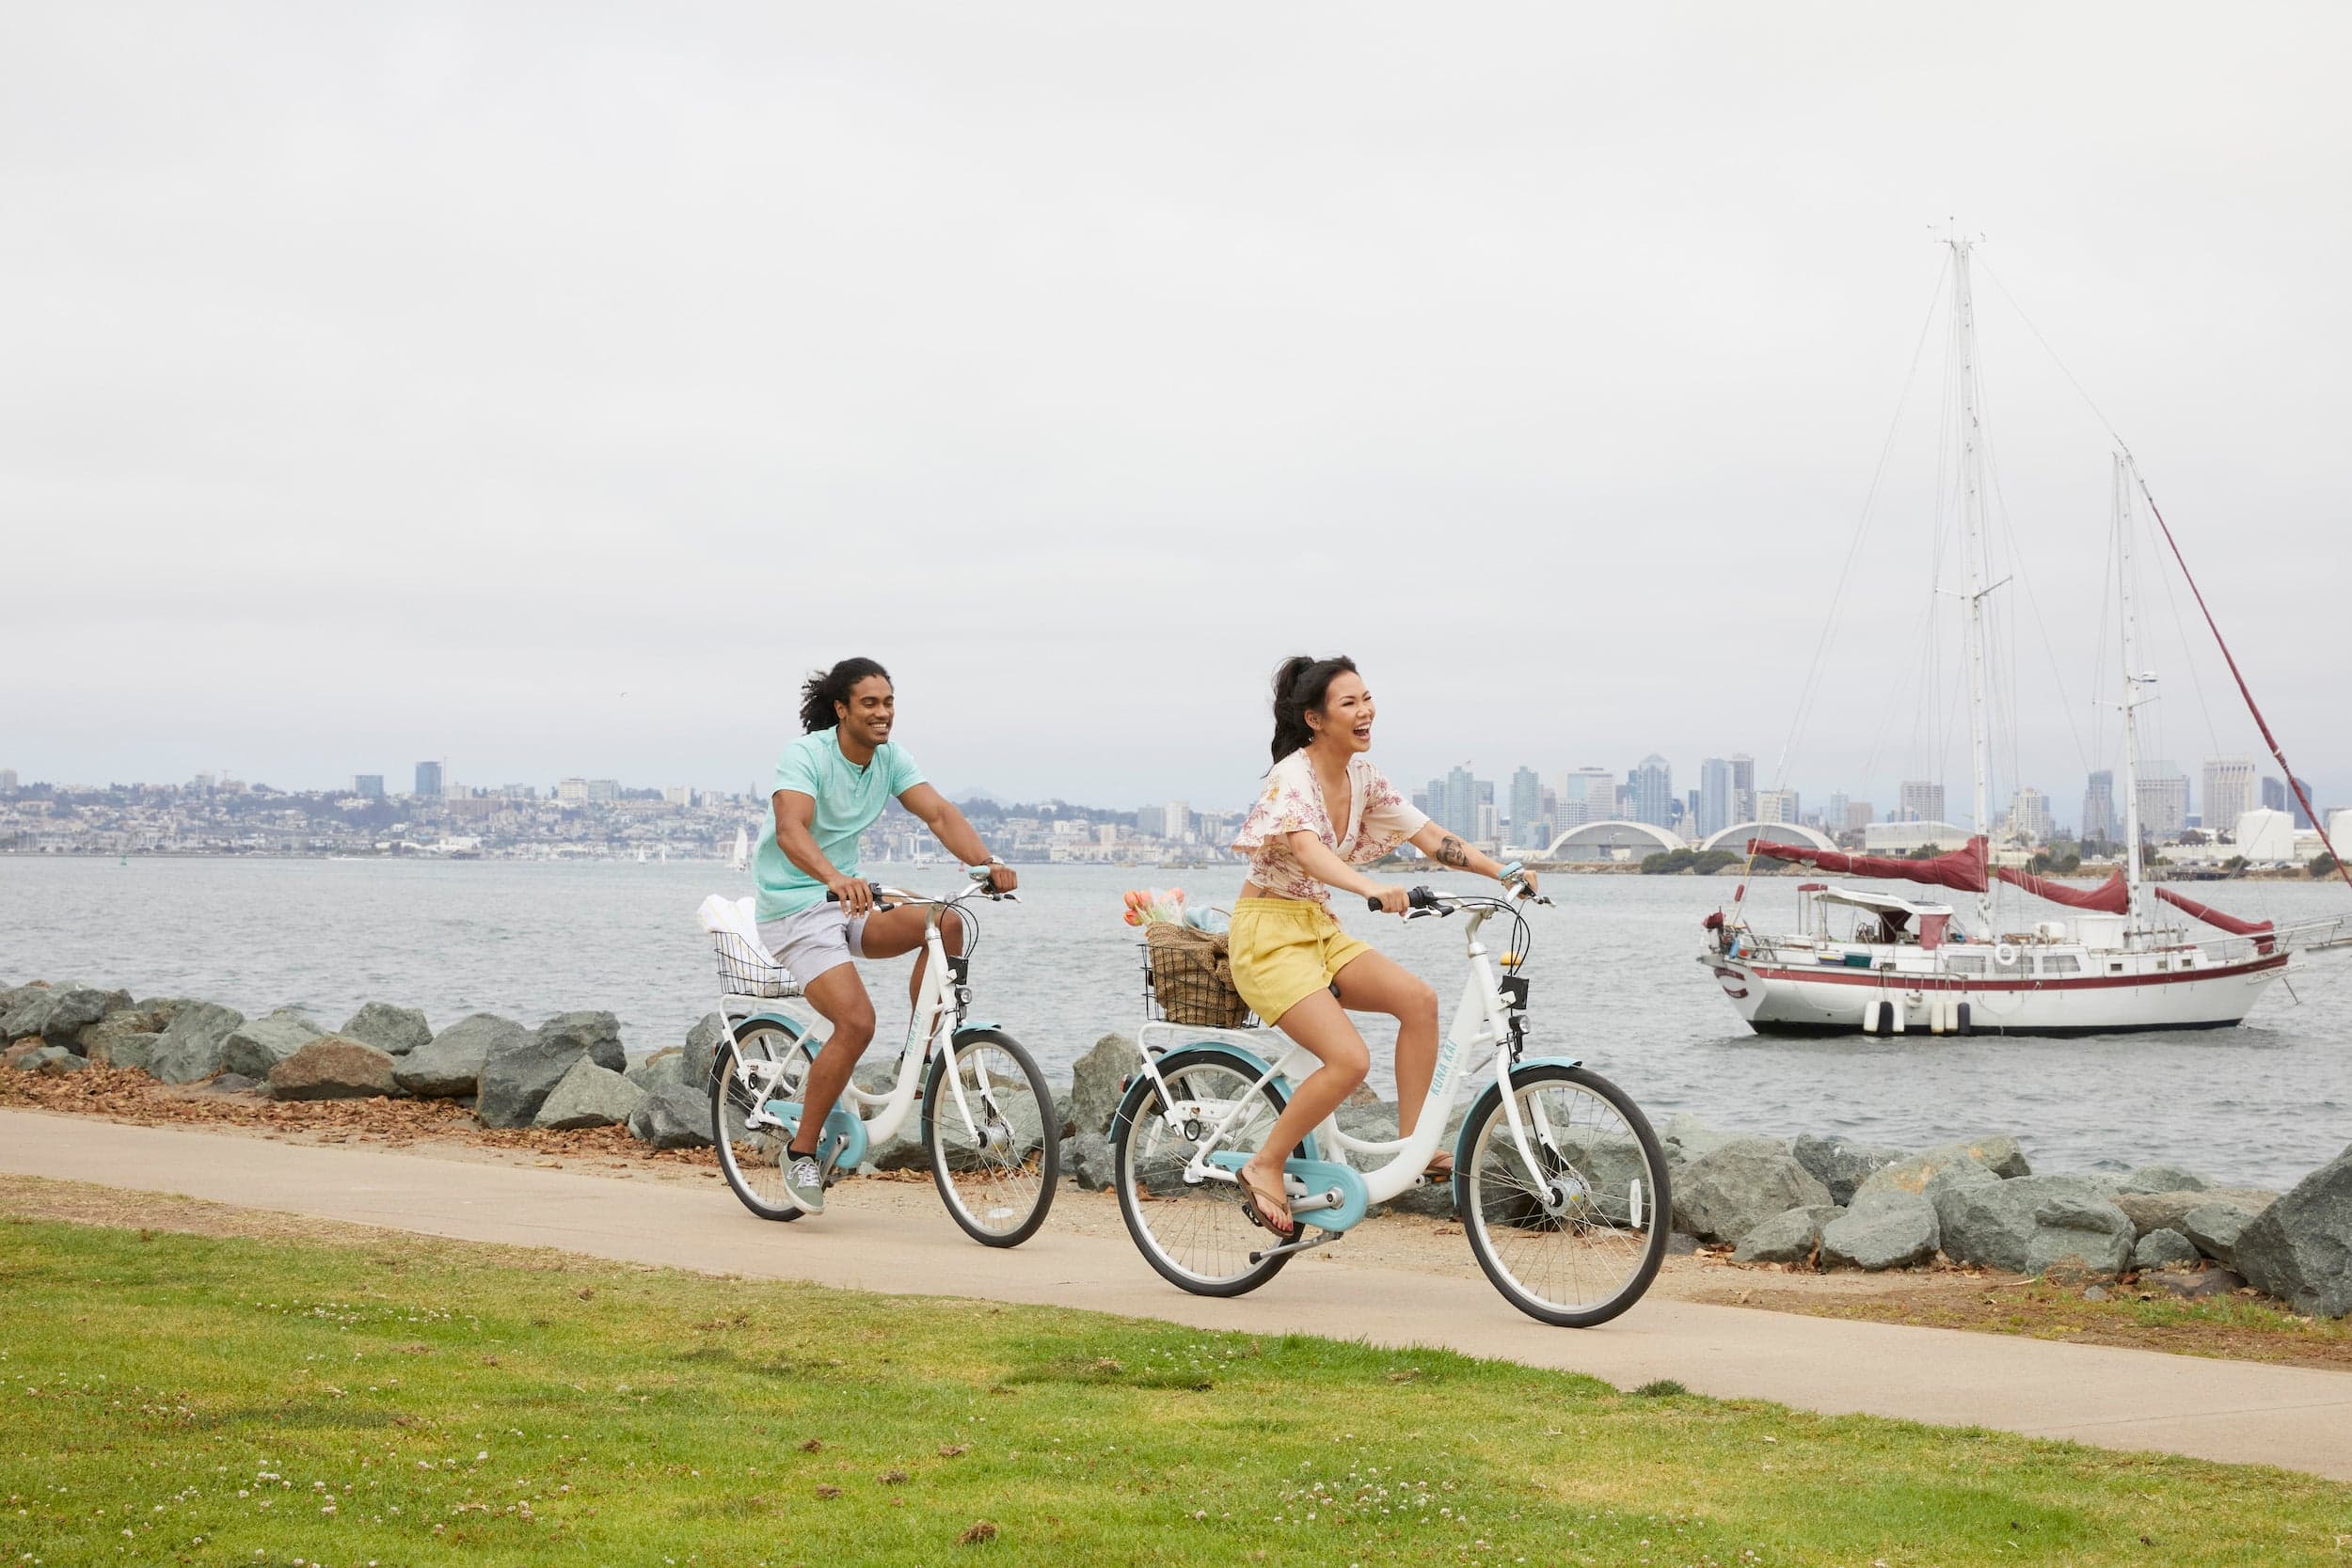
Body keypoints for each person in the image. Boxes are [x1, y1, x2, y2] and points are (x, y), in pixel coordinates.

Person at [1226, 655, 1535, 1239]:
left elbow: (1428, 836)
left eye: (1367, 699)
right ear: (1315, 719)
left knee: (1417, 1001)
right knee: (1348, 1060)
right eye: (1349, 703)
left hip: (1317, 927)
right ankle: (1263, 1163)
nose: (1365, 711)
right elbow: (1310, 850)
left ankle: (1415, 1147)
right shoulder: (1291, 778)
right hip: (1267, 936)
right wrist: (1370, 887)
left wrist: (1503, 872)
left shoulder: (1363, 779)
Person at [755, 657, 1017, 1215]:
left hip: (850, 901)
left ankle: (920, 1058)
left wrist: (986, 863)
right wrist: (831, 877)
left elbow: (941, 815)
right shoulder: (805, 756)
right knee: (855, 1022)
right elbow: (790, 829)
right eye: (870, 703)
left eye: (889, 702)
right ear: (841, 709)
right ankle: (802, 1152)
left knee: (944, 920)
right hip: (795, 909)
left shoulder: (890, 759)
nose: (882, 713)